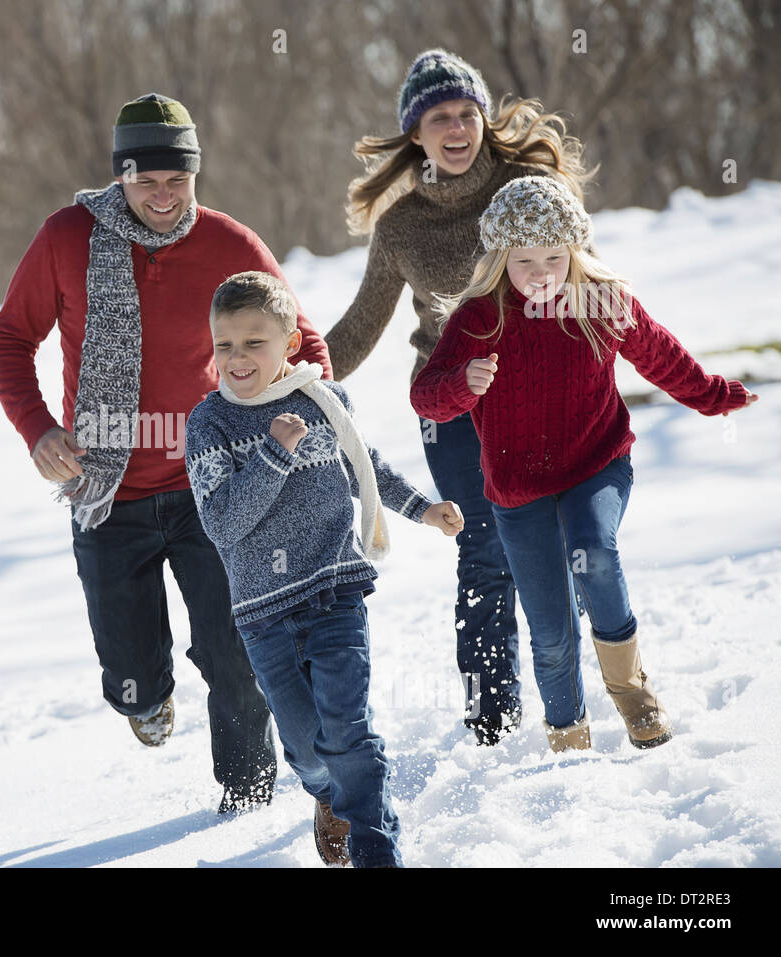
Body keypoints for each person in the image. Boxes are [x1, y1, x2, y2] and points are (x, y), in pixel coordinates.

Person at [0, 93, 334, 812]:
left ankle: (246, 803)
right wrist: (38, 428)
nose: (164, 197)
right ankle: (143, 698)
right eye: (147, 182)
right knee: (132, 676)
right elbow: (9, 341)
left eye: (179, 181)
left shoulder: (231, 246)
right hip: (107, 489)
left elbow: (303, 343)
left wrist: (308, 411)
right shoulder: (66, 239)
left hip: (216, 486)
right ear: (120, 177)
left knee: (235, 657)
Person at [411, 176, 758, 752]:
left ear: (575, 251)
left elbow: (660, 357)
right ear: (501, 259)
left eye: (554, 256)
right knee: (549, 630)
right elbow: (427, 396)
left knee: (594, 553)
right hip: (518, 490)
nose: (542, 272)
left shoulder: (601, 301)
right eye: (524, 260)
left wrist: (714, 396)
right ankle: (568, 735)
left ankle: (633, 696)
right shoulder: (481, 317)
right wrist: (462, 386)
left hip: (595, 463)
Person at [324, 48, 596, 745]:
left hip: (537, 391)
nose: (455, 127)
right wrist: (293, 373)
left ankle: (567, 690)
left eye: (466, 113)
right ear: (416, 132)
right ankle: (492, 716)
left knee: (550, 538)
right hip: (450, 400)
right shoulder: (402, 226)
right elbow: (361, 324)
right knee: (481, 546)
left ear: (482, 119)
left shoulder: (527, 185)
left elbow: (583, 271)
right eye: (439, 116)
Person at [186, 271, 464, 866]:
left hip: (335, 590)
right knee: (309, 749)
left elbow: (366, 466)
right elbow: (223, 524)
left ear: (288, 345)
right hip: (263, 613)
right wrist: (272, 454)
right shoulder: (208, 424)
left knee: (348, 733)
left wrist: (422, 508)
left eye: (254, 342)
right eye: (224, 345)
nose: (237, 358)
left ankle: (374, 848)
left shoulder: (325, 400)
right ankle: (328, 795)